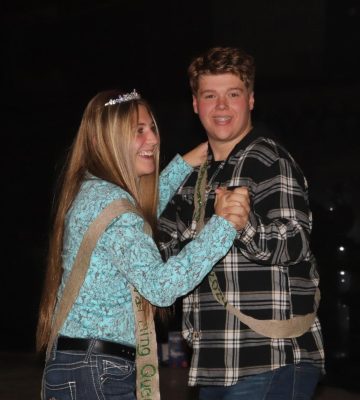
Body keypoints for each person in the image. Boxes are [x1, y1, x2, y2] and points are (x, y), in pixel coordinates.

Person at [36, 89, 250, 400]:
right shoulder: (113, 205)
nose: (152, 139)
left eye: (152, 128)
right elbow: (161, 287)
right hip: (98, 373)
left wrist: (187, 162)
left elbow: (137, 211)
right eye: (138, 131)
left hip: (76, 366)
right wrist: (224, 224)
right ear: (107, 140)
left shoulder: (92, 192)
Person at [157, 47, 324, 399]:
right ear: (195, 104)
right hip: (212, 364)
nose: (221, 106)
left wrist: (244, 225)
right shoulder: (192, 179)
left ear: (250, 100)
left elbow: (295, 242)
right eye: (210, 95)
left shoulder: (269, 159)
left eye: (232, 94)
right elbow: (160, 252)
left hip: (270, 357)